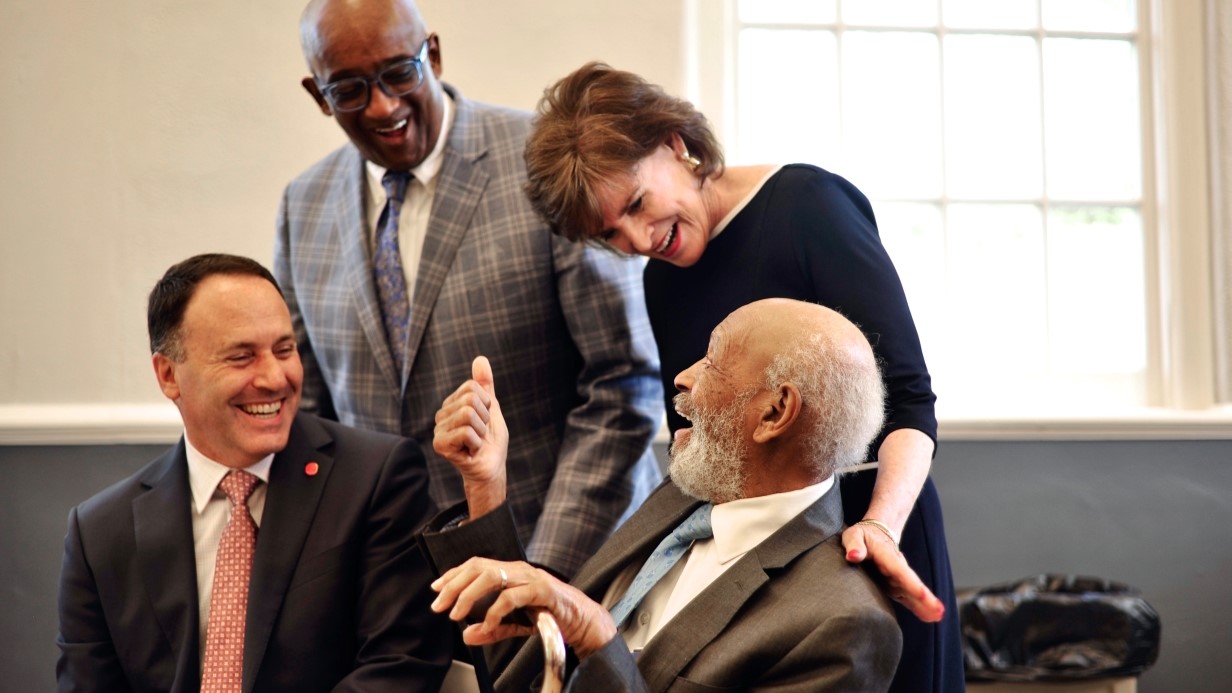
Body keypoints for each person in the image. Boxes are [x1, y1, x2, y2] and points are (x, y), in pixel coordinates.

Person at [522, 62, 961, 690]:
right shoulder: (661, 281)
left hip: (877, 528)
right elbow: (702, 440)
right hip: (765, 566)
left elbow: (912, 405)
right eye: (609, 234)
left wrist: (880, 525)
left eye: (638, 205)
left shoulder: (807, 207)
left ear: (676, 143)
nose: (637, 240)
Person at [276, 0, 663, 581]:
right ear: (318, 95)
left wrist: (541, 569)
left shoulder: (545, 162)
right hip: (394, 587)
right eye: (350, 89)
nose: (383, 105)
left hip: (572, 564)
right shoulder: (303, 204)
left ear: (432, 54)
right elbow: (309, 411)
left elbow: (622, 384)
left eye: (399, 73)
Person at [423, 298, 921, 691]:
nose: (683, 377)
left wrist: (600, 640)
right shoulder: (679, 499)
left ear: (774, 412)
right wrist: (485, 483)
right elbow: (524, 675)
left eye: (713, 361)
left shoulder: (844, 622)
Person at [55, 254, 451, 693]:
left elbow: (399, 667)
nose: (274, 378)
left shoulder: (377, 480)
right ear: (169, 375)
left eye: (285, 350)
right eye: (241, 357)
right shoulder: (101, 533)